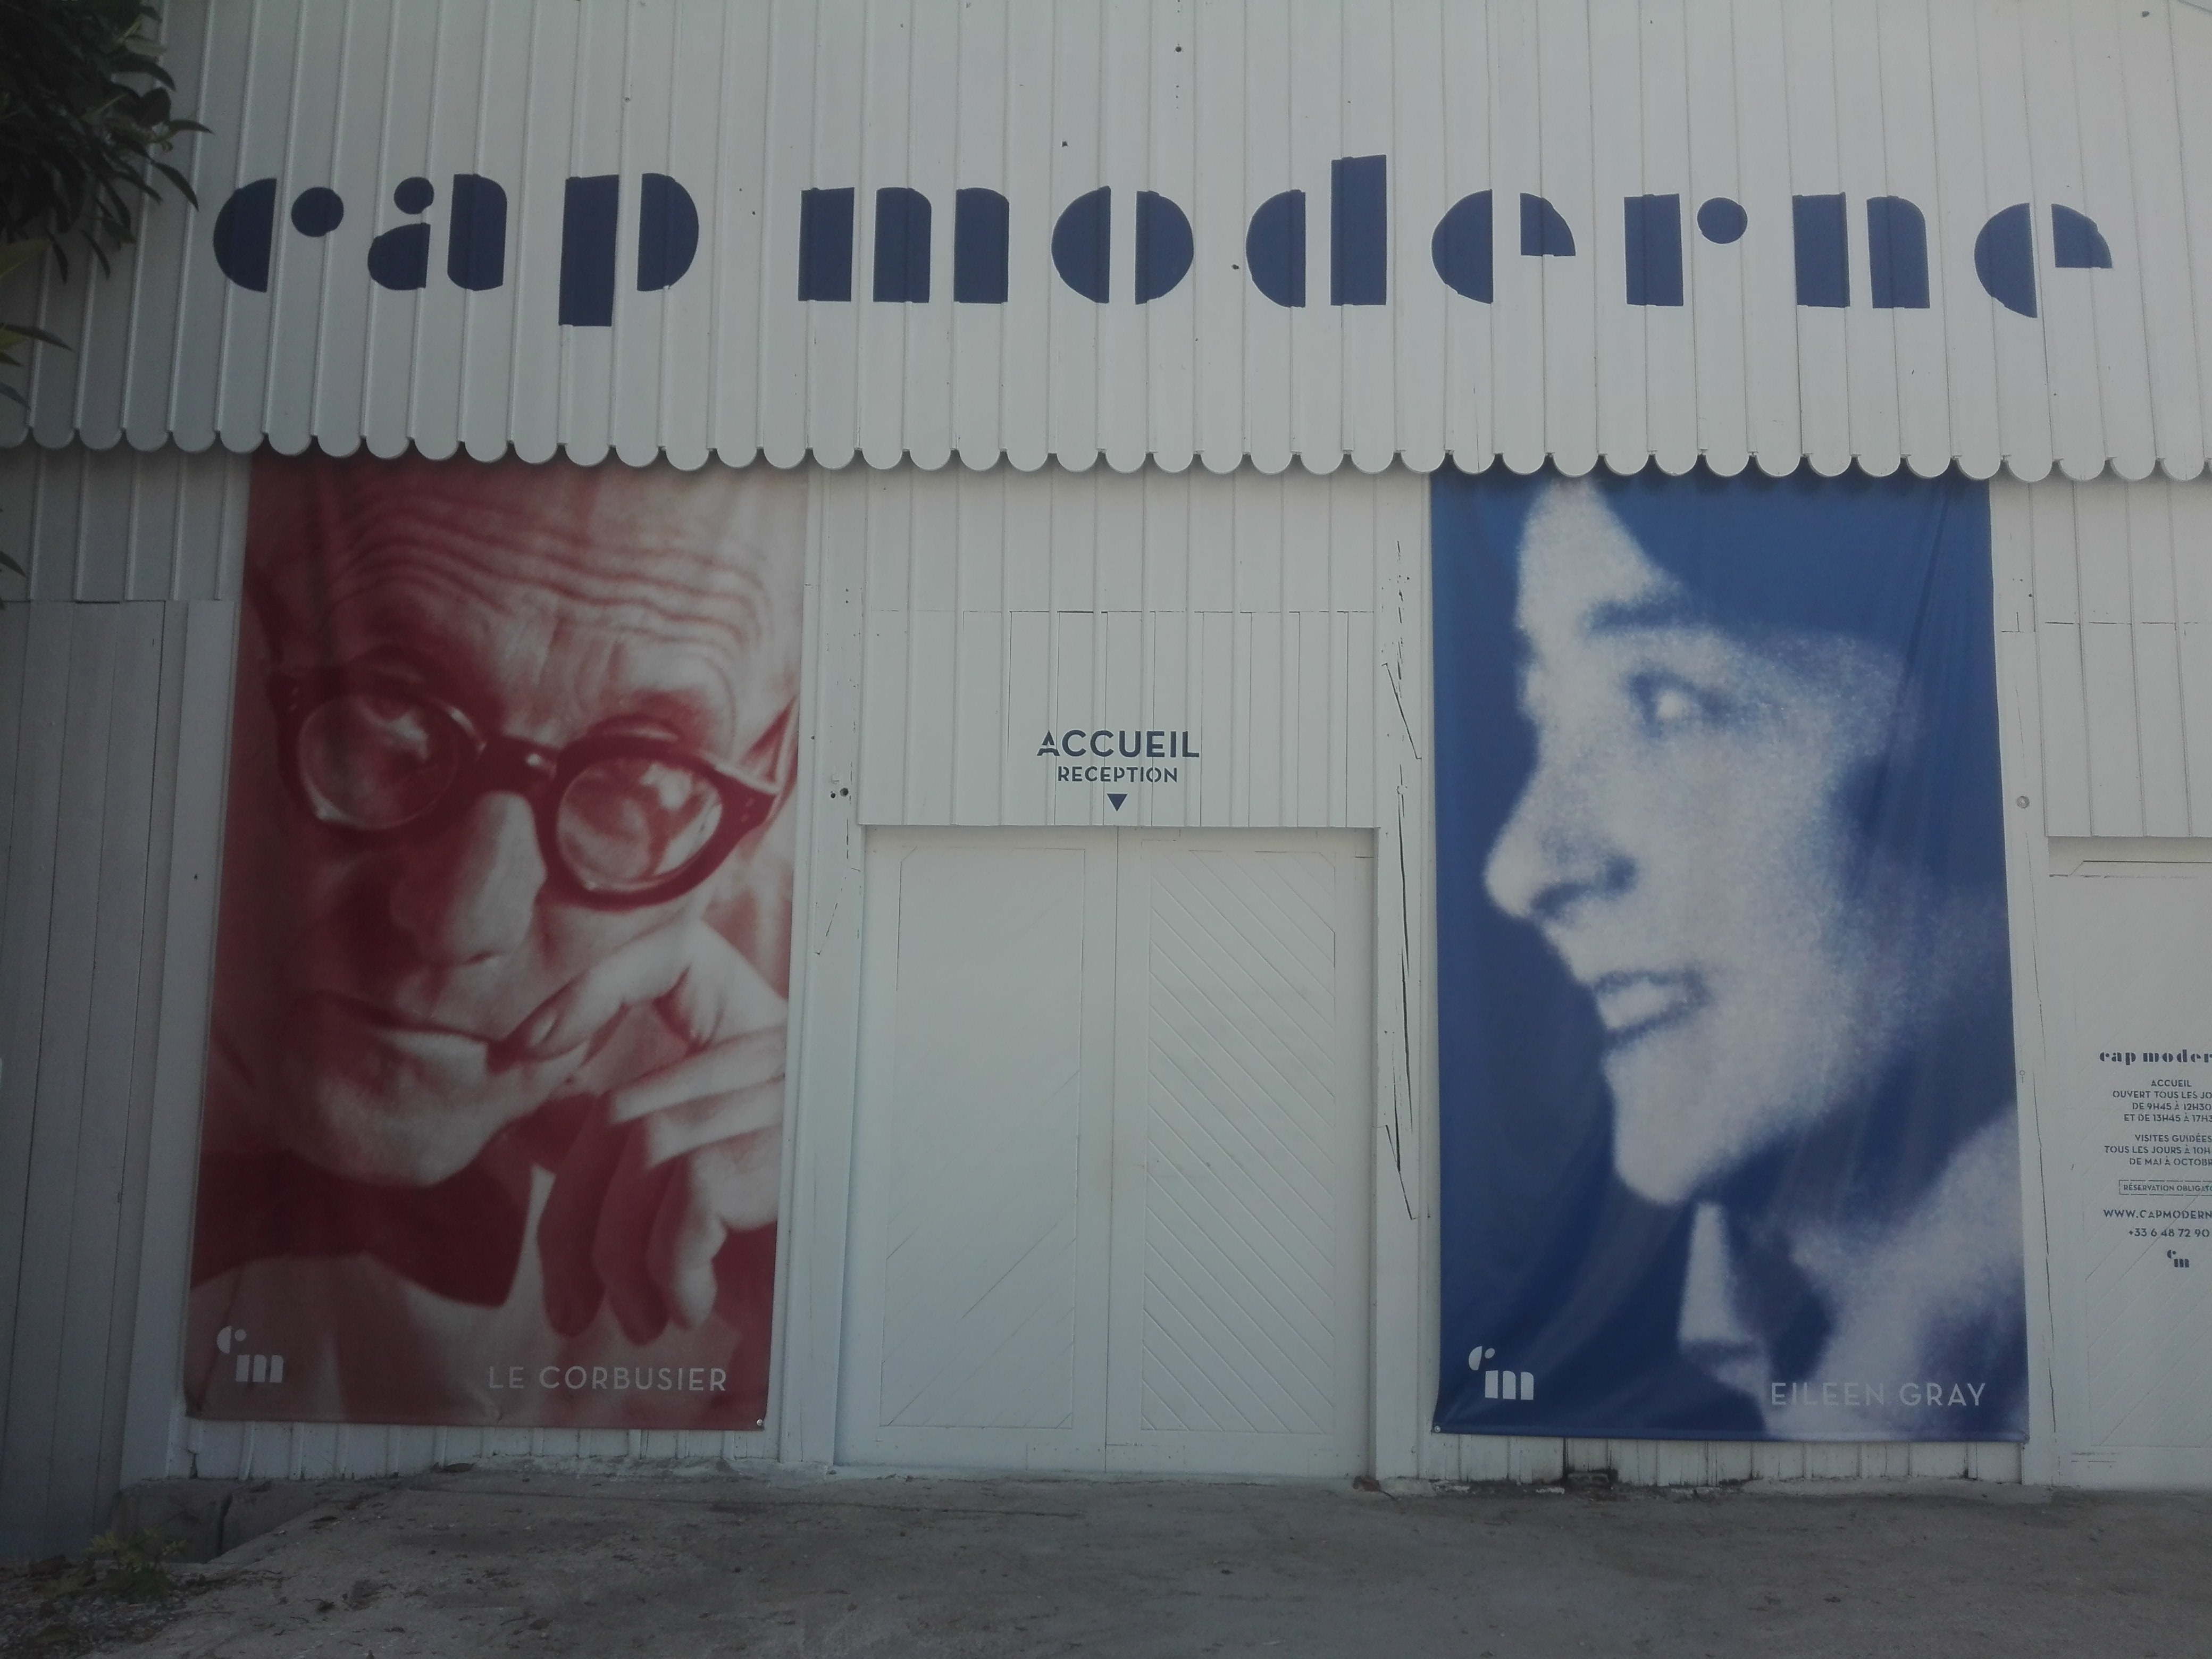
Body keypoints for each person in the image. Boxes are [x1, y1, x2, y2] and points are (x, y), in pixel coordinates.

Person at [185, 448, 806, 1430]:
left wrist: (805, 1350)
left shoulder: (804, 1153)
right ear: (215, 654)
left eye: (639, 778)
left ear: (754, 833)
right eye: (385, 714)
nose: (464, 922)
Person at [1435, 465, 2026, 1439]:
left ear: (1975, 743)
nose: (1522, 867)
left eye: (1667, 700)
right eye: (1545, 718)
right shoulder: (1749, 1334)